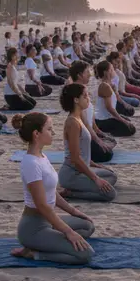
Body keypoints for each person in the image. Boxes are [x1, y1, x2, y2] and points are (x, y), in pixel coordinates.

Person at [10, 112, 96, 264]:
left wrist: (75, 212)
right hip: (34, 229)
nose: (53, 133)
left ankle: (49, 241)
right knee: (85, 254)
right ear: (37, 134)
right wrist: (68, 232)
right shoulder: (31, 163)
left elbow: (51, 193)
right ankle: (33, 254)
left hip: (48, 222)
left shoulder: (42, 157)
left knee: (87, 226)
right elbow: (42, 206)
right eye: (49, 129)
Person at [57, 84, 118, 200]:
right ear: (76, 100)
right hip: (72, 174)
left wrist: (95, 165)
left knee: (112, 176)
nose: (88, 99)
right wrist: (96, 179)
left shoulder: (79, 118)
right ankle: (70, 193)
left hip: (83, 170)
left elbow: (83, 152)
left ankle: (80, 186)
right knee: (110, 194)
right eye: (85, 96)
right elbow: (75, 158)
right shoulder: (72, 123)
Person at [94, 61, 136, 137]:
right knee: (130, 129)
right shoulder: (104, 86)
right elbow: (109, 108)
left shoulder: (109, 85)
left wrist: (124, 104)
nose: (114, 72)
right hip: (102, 120)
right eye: (112, 69)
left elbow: (117, 98)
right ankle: (104, 133)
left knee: (128, 122)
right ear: (106, 72)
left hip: (107, 117)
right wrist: (122, 120)